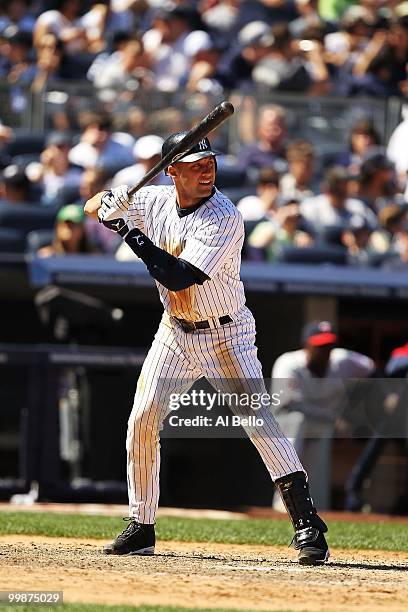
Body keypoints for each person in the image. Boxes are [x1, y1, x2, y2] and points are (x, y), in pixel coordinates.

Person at [84, 132, 330, 565]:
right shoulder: (156, 198)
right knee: (143, 417)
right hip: (176, 331)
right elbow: (92, 204)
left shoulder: (224, 215)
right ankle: (141, 525)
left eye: (209, 162)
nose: (206, 170)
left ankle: (307, 523)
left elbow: (178, 276)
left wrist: (124, 227)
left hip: (226, 334)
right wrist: (107, 204)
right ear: (172, 171)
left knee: (257, 420)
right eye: (195, 164)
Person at [271, 320, 375, 510]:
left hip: (324, 424)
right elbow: (290, 406)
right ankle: (284, 499)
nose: (324, 351)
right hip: (285, 427)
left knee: (318, 458)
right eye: (319, 346)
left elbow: (373, 370)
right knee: (298, 421)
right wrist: (336, 419)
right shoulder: (288, 364)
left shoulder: (342, 360)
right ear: (306, 345)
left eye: (328, 346)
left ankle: (316, 504)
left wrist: (355, 406)